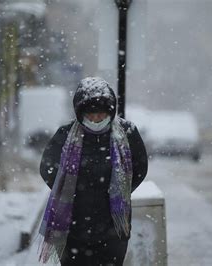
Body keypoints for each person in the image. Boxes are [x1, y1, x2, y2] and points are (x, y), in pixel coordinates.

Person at [37, 77, 148, 266]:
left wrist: (117, 192)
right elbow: (48, 168)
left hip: (114, 228)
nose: (96, 118)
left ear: (110, 111)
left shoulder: (128, 133)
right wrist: (72, 191)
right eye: (91, 114)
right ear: (80, 113)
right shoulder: (65, 134)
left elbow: (139, 168)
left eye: (102, 113)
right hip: (73, 228)